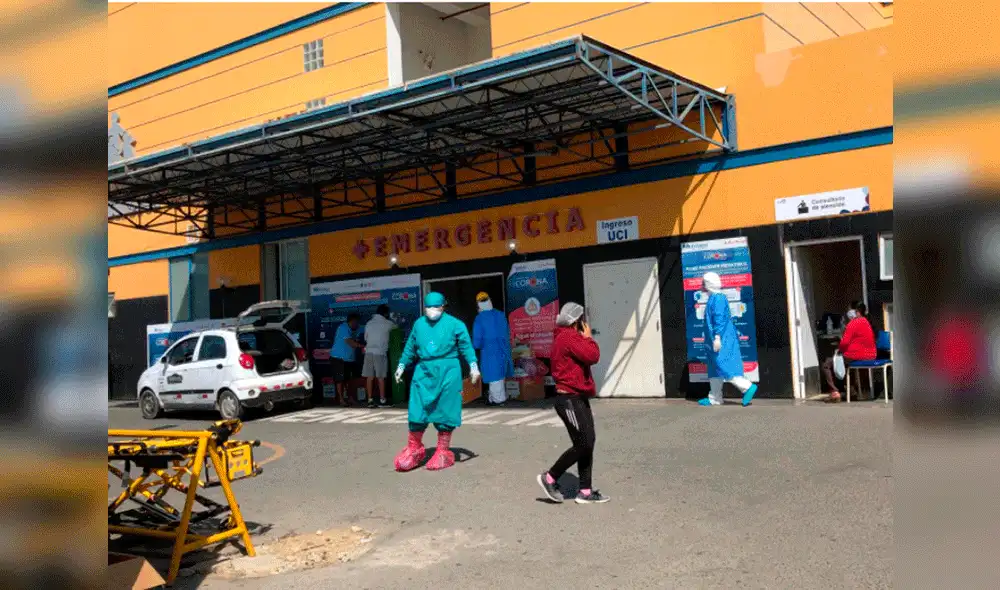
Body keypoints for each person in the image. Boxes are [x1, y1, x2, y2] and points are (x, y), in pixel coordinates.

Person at [393, 292, 480, 472]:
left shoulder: (455, 324)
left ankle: (442, 450)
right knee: (417, 410)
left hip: (448, 370)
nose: (432, 311)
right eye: (429, 307)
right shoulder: (419, 324)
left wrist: (473, 366)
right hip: (423, 371)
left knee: (445, 410)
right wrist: (401, 365)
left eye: (436, 307)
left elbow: (466, 346)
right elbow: (410, 347)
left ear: (443, 306)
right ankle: (414, 448)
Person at [536, 302, 609, 505]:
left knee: (587, 442)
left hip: (577, 396)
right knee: (584, 443)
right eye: (582, 320)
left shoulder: (563, 335)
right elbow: (592, 356)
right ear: (576, 321)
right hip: (569, 398)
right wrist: (588, 338)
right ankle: (550, 477)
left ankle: (585, 491)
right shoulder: (569, 337)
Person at [699, 271, 758, 407]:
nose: (702, 285)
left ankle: (747, 387)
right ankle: (715, 398)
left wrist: (718, 337)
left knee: (724, 366)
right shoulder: (714, 297)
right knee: (714, 369)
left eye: (704, 283)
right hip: (714, 340)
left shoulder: (718, 298)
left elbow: (719, 319)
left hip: (722, 340)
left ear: (708, 284)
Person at [822, 301, 877, 402]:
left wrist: (839, 351)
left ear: (855, 311)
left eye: (849, 310)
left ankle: (835, 392)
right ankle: (852, 392)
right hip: (871, 355)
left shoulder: (853, 323)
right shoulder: (866, 322)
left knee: (827, 364)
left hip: (857, 355)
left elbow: (844, 343)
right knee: (847, 365)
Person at [472, 291, 514, 406]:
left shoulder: (480, 319)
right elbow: (507, 332)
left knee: (493, 375)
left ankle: (498, 400)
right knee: (500, 375)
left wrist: (475, 346)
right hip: (503, 350)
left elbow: (477, 339)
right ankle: (493, 398)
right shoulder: (500, 315)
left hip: (489, 352)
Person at [363, 304, 397, 408]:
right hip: (380, 353)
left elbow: (365, 338)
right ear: (386, 313)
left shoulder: (369, 323)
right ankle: (382, 400)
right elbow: (397, 328)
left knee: (370, 377)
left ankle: (370, 400)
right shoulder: (388, 323)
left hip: (368, 352)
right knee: (381, 377)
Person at [331, 313, 364, 407]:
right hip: (338, 358)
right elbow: (350, 342)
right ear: (351, 321)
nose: (357, 324)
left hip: (350, 359)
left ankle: (350, 398)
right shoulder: (343, 328)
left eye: (357, 323)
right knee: (340, 380)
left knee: (350, 381)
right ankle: (341, 400)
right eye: (355, 322)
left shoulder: (358, 328)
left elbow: (367, 328)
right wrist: (362, 346)